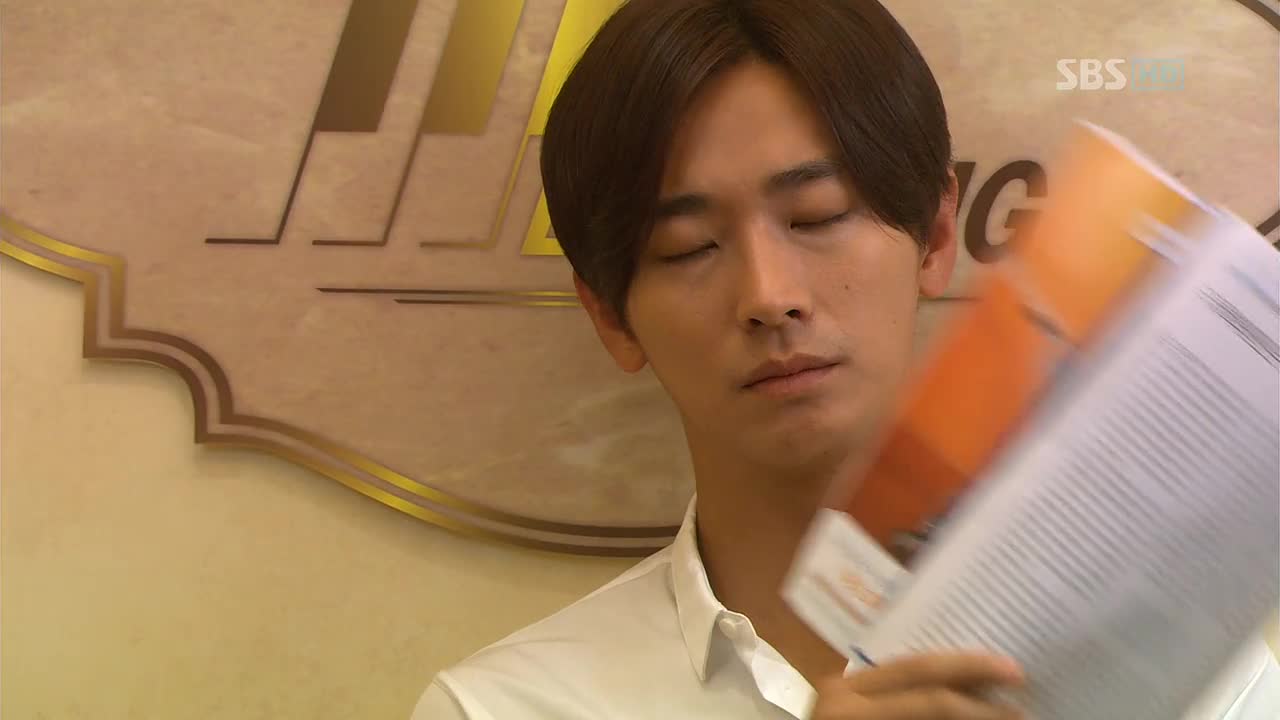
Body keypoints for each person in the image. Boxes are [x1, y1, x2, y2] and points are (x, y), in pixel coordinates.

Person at [413, 1, 1280, 718]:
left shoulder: (1206, 684)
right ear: (610, 315)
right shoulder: (503, 707)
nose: (770, 294)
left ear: (935, 235)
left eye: (819, 215)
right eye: (687, 246)